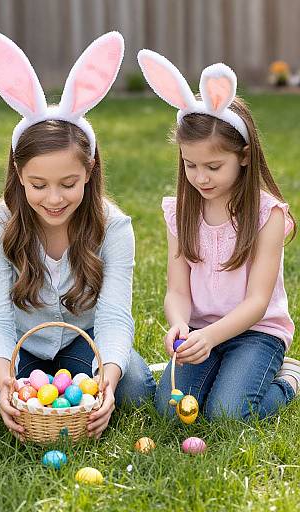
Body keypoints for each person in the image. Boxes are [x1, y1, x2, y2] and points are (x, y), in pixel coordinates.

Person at [0, 29, 156, 440]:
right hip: (22, 344)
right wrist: (5, 379)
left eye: (68, 183)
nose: (54, 199)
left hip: (86, 340)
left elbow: (113, 316)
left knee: (131, 391)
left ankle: (109, 377)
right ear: (19, 174)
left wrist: (107, 379)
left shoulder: (114, 227)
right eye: (38, 185)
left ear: (90, 171)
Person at [137, 49, 300, 421]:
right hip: (200, 331)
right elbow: (178, 289)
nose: (201, 177)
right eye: (190, 165)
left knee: (227, 415)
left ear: (243, 156)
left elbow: (258, 302)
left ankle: (289, 379)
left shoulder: (266, 214)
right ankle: (217, 373)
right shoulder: (180, 211)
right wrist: (179, 322)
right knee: (170, 411)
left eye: (213, 166)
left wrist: (211, 338)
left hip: (256, 332)